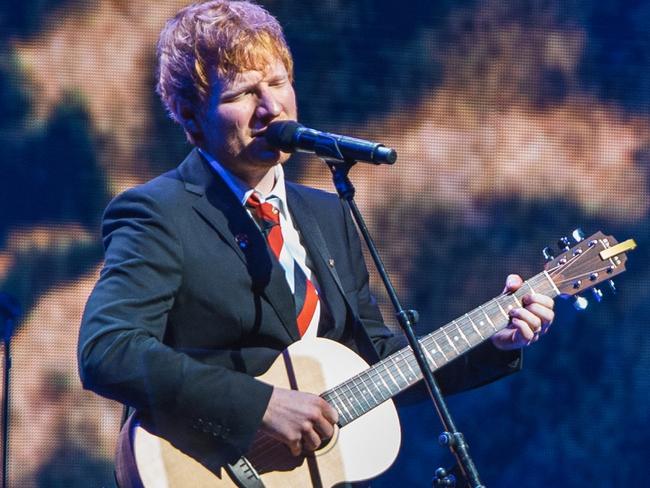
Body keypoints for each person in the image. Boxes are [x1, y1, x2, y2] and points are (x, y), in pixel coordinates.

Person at [77, 0, 555, 483]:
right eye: (243, 94)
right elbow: (106, 349)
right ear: (191, 117)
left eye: (279, 82)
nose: (271, 108)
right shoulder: (159, 212)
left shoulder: (327, 213)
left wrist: (494, 338)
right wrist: (260, 406)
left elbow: (372, 363)